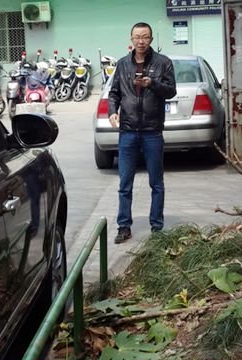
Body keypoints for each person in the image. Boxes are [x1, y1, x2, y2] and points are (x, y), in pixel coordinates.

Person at [108, 22, 177, 244]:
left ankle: (157, 228)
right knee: (124, 184)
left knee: (156, 183)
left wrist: (152, 83)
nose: (141, 41)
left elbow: (171, 91)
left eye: (145, 37)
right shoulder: (122, 64)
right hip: (127, 131)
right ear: (131, 39)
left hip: (152, 132)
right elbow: (114, 93)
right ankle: (124, 226)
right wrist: (112, 112)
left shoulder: (163, 63)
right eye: (137, 37)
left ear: (151, 39)